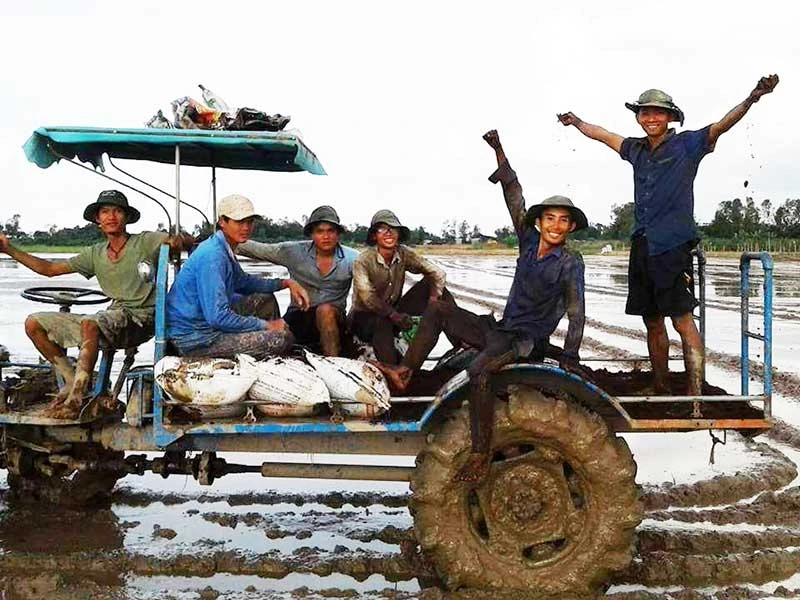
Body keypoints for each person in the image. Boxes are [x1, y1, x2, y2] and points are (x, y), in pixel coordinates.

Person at [376, 130, 587, 484]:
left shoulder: (570, 262)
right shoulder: (529, 241)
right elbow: (514, 196)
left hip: (524, 340)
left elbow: (576, 312)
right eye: (550, 218)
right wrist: (499, 150)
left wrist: (570, 356)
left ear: (572, 227)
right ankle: (406, 371)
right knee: (438, 308)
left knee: (479, 371)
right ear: (539, 222)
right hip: (502, 329)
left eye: (563, 220)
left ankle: (479, 452)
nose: (555, 225)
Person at [558, 74, 779, 396]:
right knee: (651, 320)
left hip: (672, 245)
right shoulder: (635, 149)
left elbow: (722, 125)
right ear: (638, 117)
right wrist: (577, 122)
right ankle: (660, 385)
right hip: (643, 243)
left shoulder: (688, 144)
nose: (651, 118)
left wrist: (753, 97)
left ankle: (695, 394)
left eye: (658, 113)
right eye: (645, 112)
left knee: (681, 320)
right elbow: (604, 135)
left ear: (670, 117)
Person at [0, 189, 180, 419]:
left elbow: (176, 241)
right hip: (112, 316)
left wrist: (178, 241)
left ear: (126, 217)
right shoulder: (95, 253)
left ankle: (76, 399)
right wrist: (8, 249)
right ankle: (70, 380)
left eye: (117, 211)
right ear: (97, 219)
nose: (111, 216)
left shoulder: (144, 242)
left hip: (141, 319)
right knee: (33, 323)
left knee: (90, 323)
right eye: (105, 212)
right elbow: (49, 269)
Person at [166, 194, 309, 360]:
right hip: (194, 340)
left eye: (249, 222)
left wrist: (286, 283)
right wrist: (267, 325)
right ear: (222, 222)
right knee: (281, 339)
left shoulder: (223, 248)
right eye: (240, 222)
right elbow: (218, 317)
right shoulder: (213, 256)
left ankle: (266, 355)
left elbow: (244, 282)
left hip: (204, 325)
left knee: (265, 299)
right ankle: (270, 358)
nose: (246, 227)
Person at [237, 206, 358, 356]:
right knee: (271, 319)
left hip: (333, 319)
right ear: (312, 234)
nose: (326, 236)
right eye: (320, 231)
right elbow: (257, 249)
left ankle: (333, 362)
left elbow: (366, 291)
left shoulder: (353, 259)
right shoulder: (293, 252)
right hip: (299, 316)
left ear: (338, 234)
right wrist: (226, 239)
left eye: (330, 231)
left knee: (325, 310)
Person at [349, 209, 454, 365]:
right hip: (365, 318)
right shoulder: (362, 261)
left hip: (394, 311)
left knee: (433, 287)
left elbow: (437, 273)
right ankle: (393, 369)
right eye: (382, 228)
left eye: (393, 229)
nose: (389, 233)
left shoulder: (404, 253)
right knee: (382, 319)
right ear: (374, 235)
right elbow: (368, 298)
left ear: (398, 234)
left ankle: (460, 342)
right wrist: (393, 315)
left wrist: (433, 300)